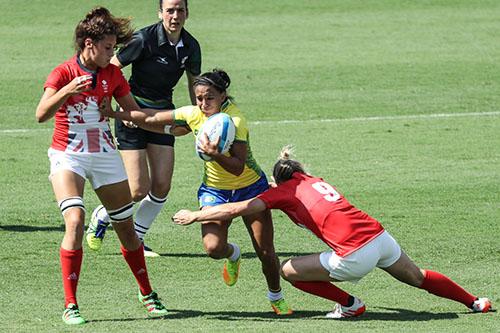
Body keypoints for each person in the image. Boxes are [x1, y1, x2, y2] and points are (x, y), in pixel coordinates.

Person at [171, 146, 493, 319]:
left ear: (280, 182)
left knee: (288, 270)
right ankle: (474, 302)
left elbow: (233, 209)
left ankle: (350, 304)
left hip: (353, 254)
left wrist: (195, 215)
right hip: (379, 237)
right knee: (418, 277)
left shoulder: (283, 193)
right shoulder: (315, 180)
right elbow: (292, 191)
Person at [99, 69, 293, 315]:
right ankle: (233, 254)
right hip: (215, 190)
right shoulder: (193, 113)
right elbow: (150, 117)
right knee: (213, 248)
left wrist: (214, 153)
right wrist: (113, 112)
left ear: (223, 95)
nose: (203, 104)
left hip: (251, 188)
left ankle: (275, 296)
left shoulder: (235, 121)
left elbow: (237, 167)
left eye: (209, 97)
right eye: (198, 97)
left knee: (265, 251)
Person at [35, 7, 168, 325]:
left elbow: (135, 113)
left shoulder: (113, 75)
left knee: (126, 230)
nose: (113, 53)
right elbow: (41, 113)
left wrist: (122, 115)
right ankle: (71, 304)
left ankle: (147, 293)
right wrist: (67, 91)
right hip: (68, 155)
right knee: (75, 219)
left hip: (106, 156)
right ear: (89, 43)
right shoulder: (63, 73)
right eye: (108, 47)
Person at [86, 0, 202, 257]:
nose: (175, 15)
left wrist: (199, 120)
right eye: (169, 10)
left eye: (180, 10)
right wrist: (121, 105)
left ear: (187, 13)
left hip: (162, 116)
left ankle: (137, 240)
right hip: (133, 113)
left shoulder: (191, 46)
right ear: (160, 13)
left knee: (161, 186)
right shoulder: (144, 39)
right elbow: (112, 67)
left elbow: (195, 86)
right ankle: (102, 215)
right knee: (138, 189)